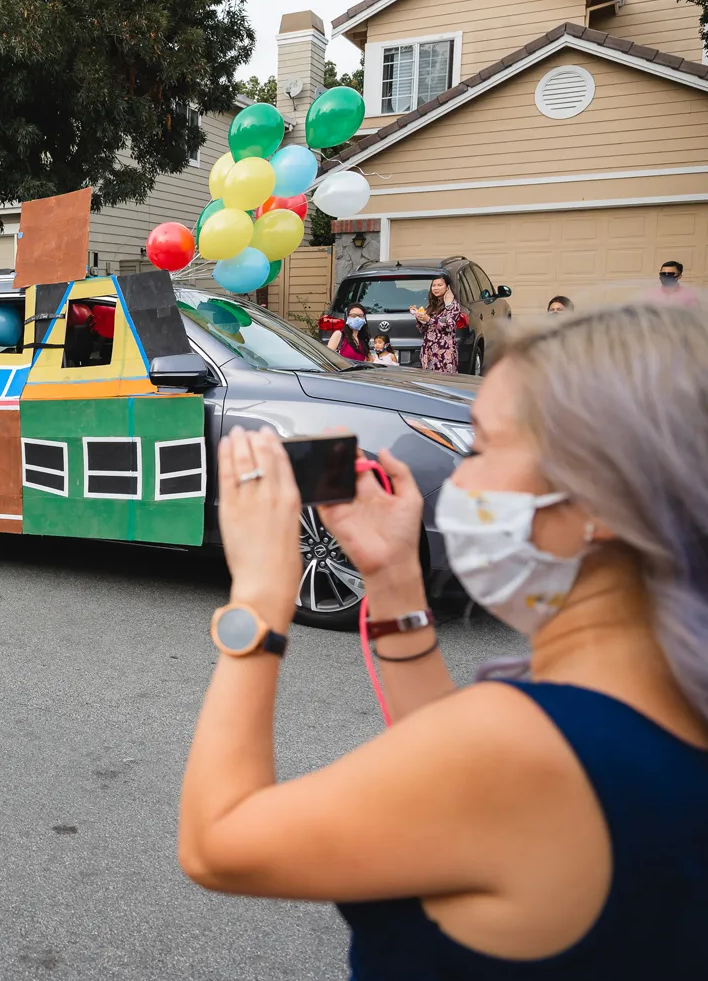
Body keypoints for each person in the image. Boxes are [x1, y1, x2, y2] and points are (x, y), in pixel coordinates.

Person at [178, 302, 708, 977]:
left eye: (480, 446)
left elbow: (217, 842)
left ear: (598, 500)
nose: (459, 477)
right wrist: (395, 580)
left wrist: (257, 595)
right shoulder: (650, 704)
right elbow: (463, 784)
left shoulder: (518, 748)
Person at [413, 275, 463, 372]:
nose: (436, 288)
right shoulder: (431, 305)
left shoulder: (452, 305)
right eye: (433, 285)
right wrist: (419, 317)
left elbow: (450, 326)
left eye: (439, 285)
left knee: (444, 381)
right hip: (428, 350)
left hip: (445, 351)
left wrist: (429, 320)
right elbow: (422, 330)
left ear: (447, 287)